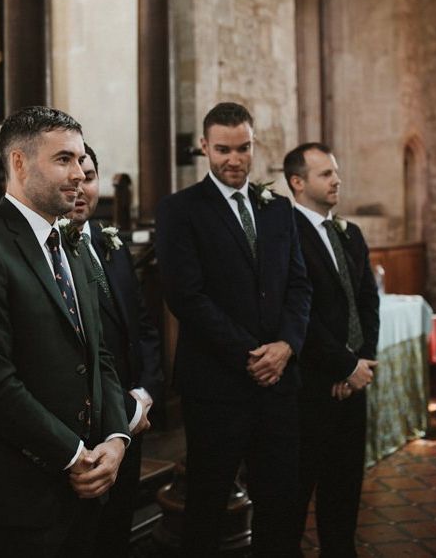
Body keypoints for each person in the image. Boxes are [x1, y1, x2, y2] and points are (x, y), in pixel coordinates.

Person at [0, 106, 130, 557]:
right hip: (14, 496)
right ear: (19, 164)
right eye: (63, 159)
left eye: (82, 161)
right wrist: (73, 455)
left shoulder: (70, 244)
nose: (80, 173)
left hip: (82, 488)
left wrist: (116, 439)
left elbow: (97, 354)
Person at [155, 102, 311, 556]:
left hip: (279, 382)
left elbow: (299, 284)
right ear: (205, 146)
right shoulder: (180, 210)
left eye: (243, 148)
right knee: (206, 505)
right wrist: (254, 354)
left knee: (280, 503)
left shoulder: (279, 209)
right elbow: (186, 297)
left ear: (253, 145)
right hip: (216, 384)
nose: (234, 159)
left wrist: (286, 345)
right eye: (223, 149)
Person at [66, 143, 164, 556]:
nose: (82, 190)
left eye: (89, 178)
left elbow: (143, 327)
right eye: (74, 180)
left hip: (132, 416)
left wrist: (144, 394)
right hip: (81, 421)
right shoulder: (52, 253)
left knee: (118, 530)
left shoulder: (113, 242)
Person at [283, 142, 379, 557]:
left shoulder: (350, 233)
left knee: (345, 489)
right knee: (297, 491)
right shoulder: (284, 233)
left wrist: (362, 362)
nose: (337, 179)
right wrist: (342, 365)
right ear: (297, 182)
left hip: (352, 383)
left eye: (336, 172)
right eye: (326, 174)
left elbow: (368, 303)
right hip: (310, 386)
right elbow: (301, 313)